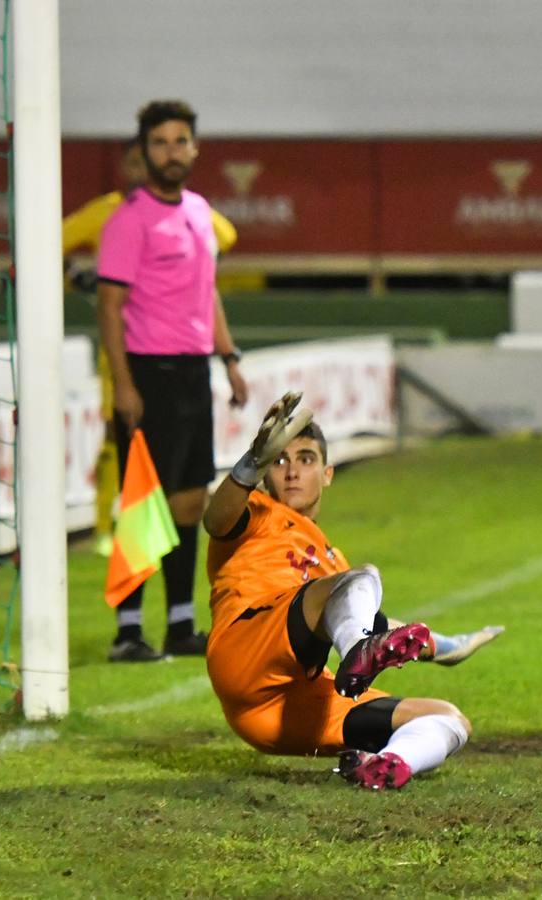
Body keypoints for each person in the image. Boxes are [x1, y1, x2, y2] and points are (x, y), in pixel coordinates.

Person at [203, 393, 504, 790]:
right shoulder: (257, 512)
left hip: (286, 708)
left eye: (306, 459)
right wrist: (250, 464)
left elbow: (377, 621)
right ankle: (359, 652)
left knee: (448, 717)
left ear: (327, 473)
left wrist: (449, 646)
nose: (292, 471)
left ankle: (388, 764)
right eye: (279, 461)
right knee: (360, 580)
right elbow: (214, 519)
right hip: (245, 653)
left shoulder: (333, 564)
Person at [96, 99, 249, 661]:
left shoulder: (200, 212)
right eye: (159, 143)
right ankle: (128, 631)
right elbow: (109, 307)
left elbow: (205, 292)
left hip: (191, 373)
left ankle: (181, 626)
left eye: (179, 141)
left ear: (195, 148)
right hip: (147, 373)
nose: (170, 152)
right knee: (142, 504)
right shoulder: (128, 220)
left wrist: (228, 358)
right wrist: (124, 385)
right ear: (143, 152)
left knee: (189, 503)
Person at [65, 138, 238, 558]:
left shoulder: (189, 209)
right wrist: (79, 278)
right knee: (120, 441)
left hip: (182, 354)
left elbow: (227, 236)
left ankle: (170, 575)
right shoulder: (110, 212)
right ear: (128, 167)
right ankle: (106, 530)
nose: (145, 170)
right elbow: (55, 241)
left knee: (183, 473)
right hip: (127, 349)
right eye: (136, 163)